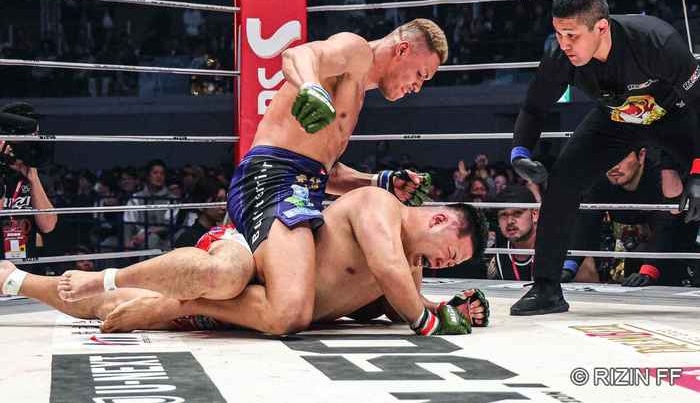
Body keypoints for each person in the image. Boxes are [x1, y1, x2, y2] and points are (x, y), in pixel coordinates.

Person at [59, 18, 448, 334]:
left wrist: (379, 181)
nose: (417, 86)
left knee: (270, 294)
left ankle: (112, 292)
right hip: (272, 180)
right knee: (290, 311)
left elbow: (322, 171)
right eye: (421, 73)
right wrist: (310, 87)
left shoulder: (358, 91)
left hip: (301, 189)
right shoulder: (356, 50)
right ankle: (168, 303)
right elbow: (297, 54)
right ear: (402, 49)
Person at [2, 187, 489, 336]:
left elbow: (398, 304)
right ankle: (107, 276)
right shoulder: (379, 207)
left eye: (453, 265)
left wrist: (451, 307)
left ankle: (15, 279)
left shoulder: (410, 270)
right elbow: (388, 274)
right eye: (451, 253)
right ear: (440, 219)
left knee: (118, 311)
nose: (445, 264)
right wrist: (430, 320)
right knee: (218, 275)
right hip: (251, 257)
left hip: (251, 309)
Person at [508, 0, 700, 315]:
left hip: (674, 115)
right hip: (615, 117)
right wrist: (520, 153)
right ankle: (546, 288)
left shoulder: (656, 41)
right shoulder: (560, 57)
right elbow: (534, 107)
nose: (564, 44)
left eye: (572, 35)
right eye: (558, 34)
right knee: (563, 181)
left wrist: (697, 171)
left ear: (600, 27)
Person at [561, 147, 697, 287]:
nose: (614, 166)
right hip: (625, 253)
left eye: (621, 157)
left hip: (674, 249)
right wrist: (569, 267)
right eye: (607, 158)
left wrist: (649, 271)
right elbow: (585, 223)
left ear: (641, 156)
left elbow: (667, 226)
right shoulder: (601, 180)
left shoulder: (662, 177)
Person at [0, 102, 57, 270]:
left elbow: (48, 225)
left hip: (25, 268)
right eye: (29, 135)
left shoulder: (38, 178)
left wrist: (33, 178)